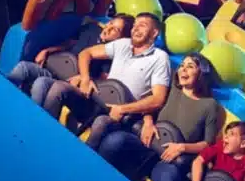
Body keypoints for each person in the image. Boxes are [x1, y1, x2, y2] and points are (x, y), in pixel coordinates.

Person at [93, 54, 223, 181]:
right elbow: (150, 104)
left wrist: (182, 147)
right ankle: (95, 179)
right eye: (182, 65)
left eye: (190, 66)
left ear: (201, 74)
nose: (183, 69)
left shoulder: (210, 105)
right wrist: (148, 122)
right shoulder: (172, 88)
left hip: (168, 160)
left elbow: (207, 144)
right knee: (114, 141)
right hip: (146, 143)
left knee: (168, 180)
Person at [33, 12, 171, 137]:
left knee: (101, 122)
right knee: (59, 88)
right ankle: (41, 132)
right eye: (135, 25)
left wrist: (123, 109)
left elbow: (158, 99)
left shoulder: (160, 58)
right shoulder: (123, 44)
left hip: (121, 114)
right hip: (97, 98)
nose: (135, 28)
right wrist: (86, 78)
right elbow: (86, 53)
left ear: (154, 33)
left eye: (142, 25)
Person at [6, 14, 133, 106]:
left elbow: (103, 79)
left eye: (115, 29)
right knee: (23, 67)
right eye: (111, 23)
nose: (109, 28)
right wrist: (48, 50)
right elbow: (70, 43)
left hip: (70, 84)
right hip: (56, 69)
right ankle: (4, 97)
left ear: (121, 38)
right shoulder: (91, 29)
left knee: (41, 83)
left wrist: (85, 79)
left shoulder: (109, 54)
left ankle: (31, 117)